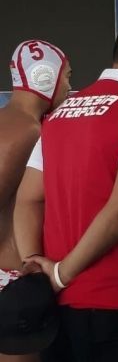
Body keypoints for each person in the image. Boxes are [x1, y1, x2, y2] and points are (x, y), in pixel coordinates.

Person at [14, 15, 118, 361]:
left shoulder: (58, 116)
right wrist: (61, 273)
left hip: (59, 310)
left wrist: (36, 268)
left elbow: (28, 200)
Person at [0, 39, 71, 362]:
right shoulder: (26, 130)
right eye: (67, 77)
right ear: (46, 78)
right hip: (13, 282)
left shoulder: (17, 123)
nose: (69, 87)